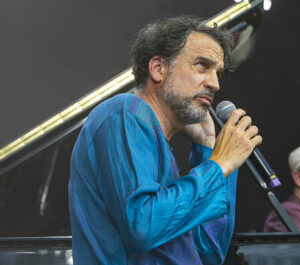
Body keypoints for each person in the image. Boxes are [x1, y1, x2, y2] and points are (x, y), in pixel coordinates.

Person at [68, 16, 262, 265]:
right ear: (158, 68)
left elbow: (209, 251)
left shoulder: (156, 143)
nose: (214, 84)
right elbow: (142, 226)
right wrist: (218, 165)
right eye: (202, 65)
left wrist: (208, 148)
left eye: (218, 73)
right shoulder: (124, 112)